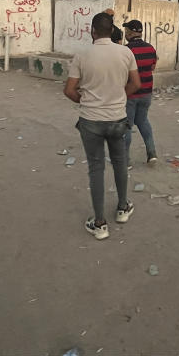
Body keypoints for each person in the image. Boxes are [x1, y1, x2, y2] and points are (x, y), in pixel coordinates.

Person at [63, 12, 141, 240]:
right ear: (113, 31)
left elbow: (69, 90)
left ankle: (99, 223)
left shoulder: (82, 55)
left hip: (91, 120)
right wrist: (119, 98)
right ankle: (123, 207)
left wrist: (86, 102)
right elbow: (136, 83)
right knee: (120, 163)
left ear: (93, 31)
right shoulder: (126, 52)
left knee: (96, 169)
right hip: (117, 118)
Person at [122, 20, 158, 164]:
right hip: (147, 93)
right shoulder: (150, 48)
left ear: (130, 32)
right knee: (142, 121)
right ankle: (152, 153)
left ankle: (125, 160)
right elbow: (153, 67)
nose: (125, 33)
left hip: (131, 93)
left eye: (126, 31)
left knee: (127, 126)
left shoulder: (126, 50)